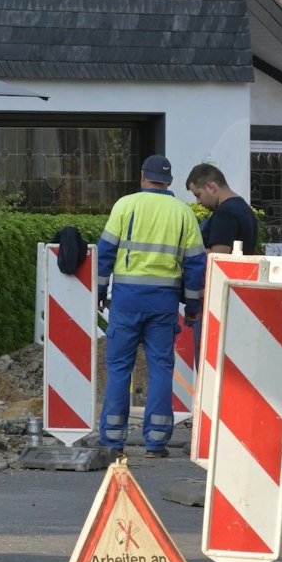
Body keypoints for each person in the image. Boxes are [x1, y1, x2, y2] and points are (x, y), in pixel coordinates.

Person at [96, 155, 207, 461]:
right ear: (169, 182)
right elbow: (196, 263)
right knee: (160, 369)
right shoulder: (183, 213)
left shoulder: (125, 205)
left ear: (143, 176)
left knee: (119, 368)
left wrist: (99, 291)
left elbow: (105, 251)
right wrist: (193, 305)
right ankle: (156, 443)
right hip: (164, 302)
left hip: (127, 300)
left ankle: (112, 441)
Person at [185, 163, 258, 255]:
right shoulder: (244, 208)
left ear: (211, 187)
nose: (198, 202)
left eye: (198, 195)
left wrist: (187, 251)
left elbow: (217, 258)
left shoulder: (225, 214)